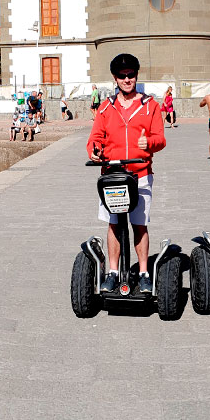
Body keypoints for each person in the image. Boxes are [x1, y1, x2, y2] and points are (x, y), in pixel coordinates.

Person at [86, 53, 167, 294]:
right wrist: (94, 151)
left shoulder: (150, 105)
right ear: (115, 78)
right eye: (122, 76)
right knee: (113, 224)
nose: (127, 79)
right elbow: (95, 138)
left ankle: (143, 272)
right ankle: (112, 272)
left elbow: (161, 139)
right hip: (112, 175)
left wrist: (149, 142)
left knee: (139, 224)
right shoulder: (105, 107)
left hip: (140, 174)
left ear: (136, 75)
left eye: (131, 75)